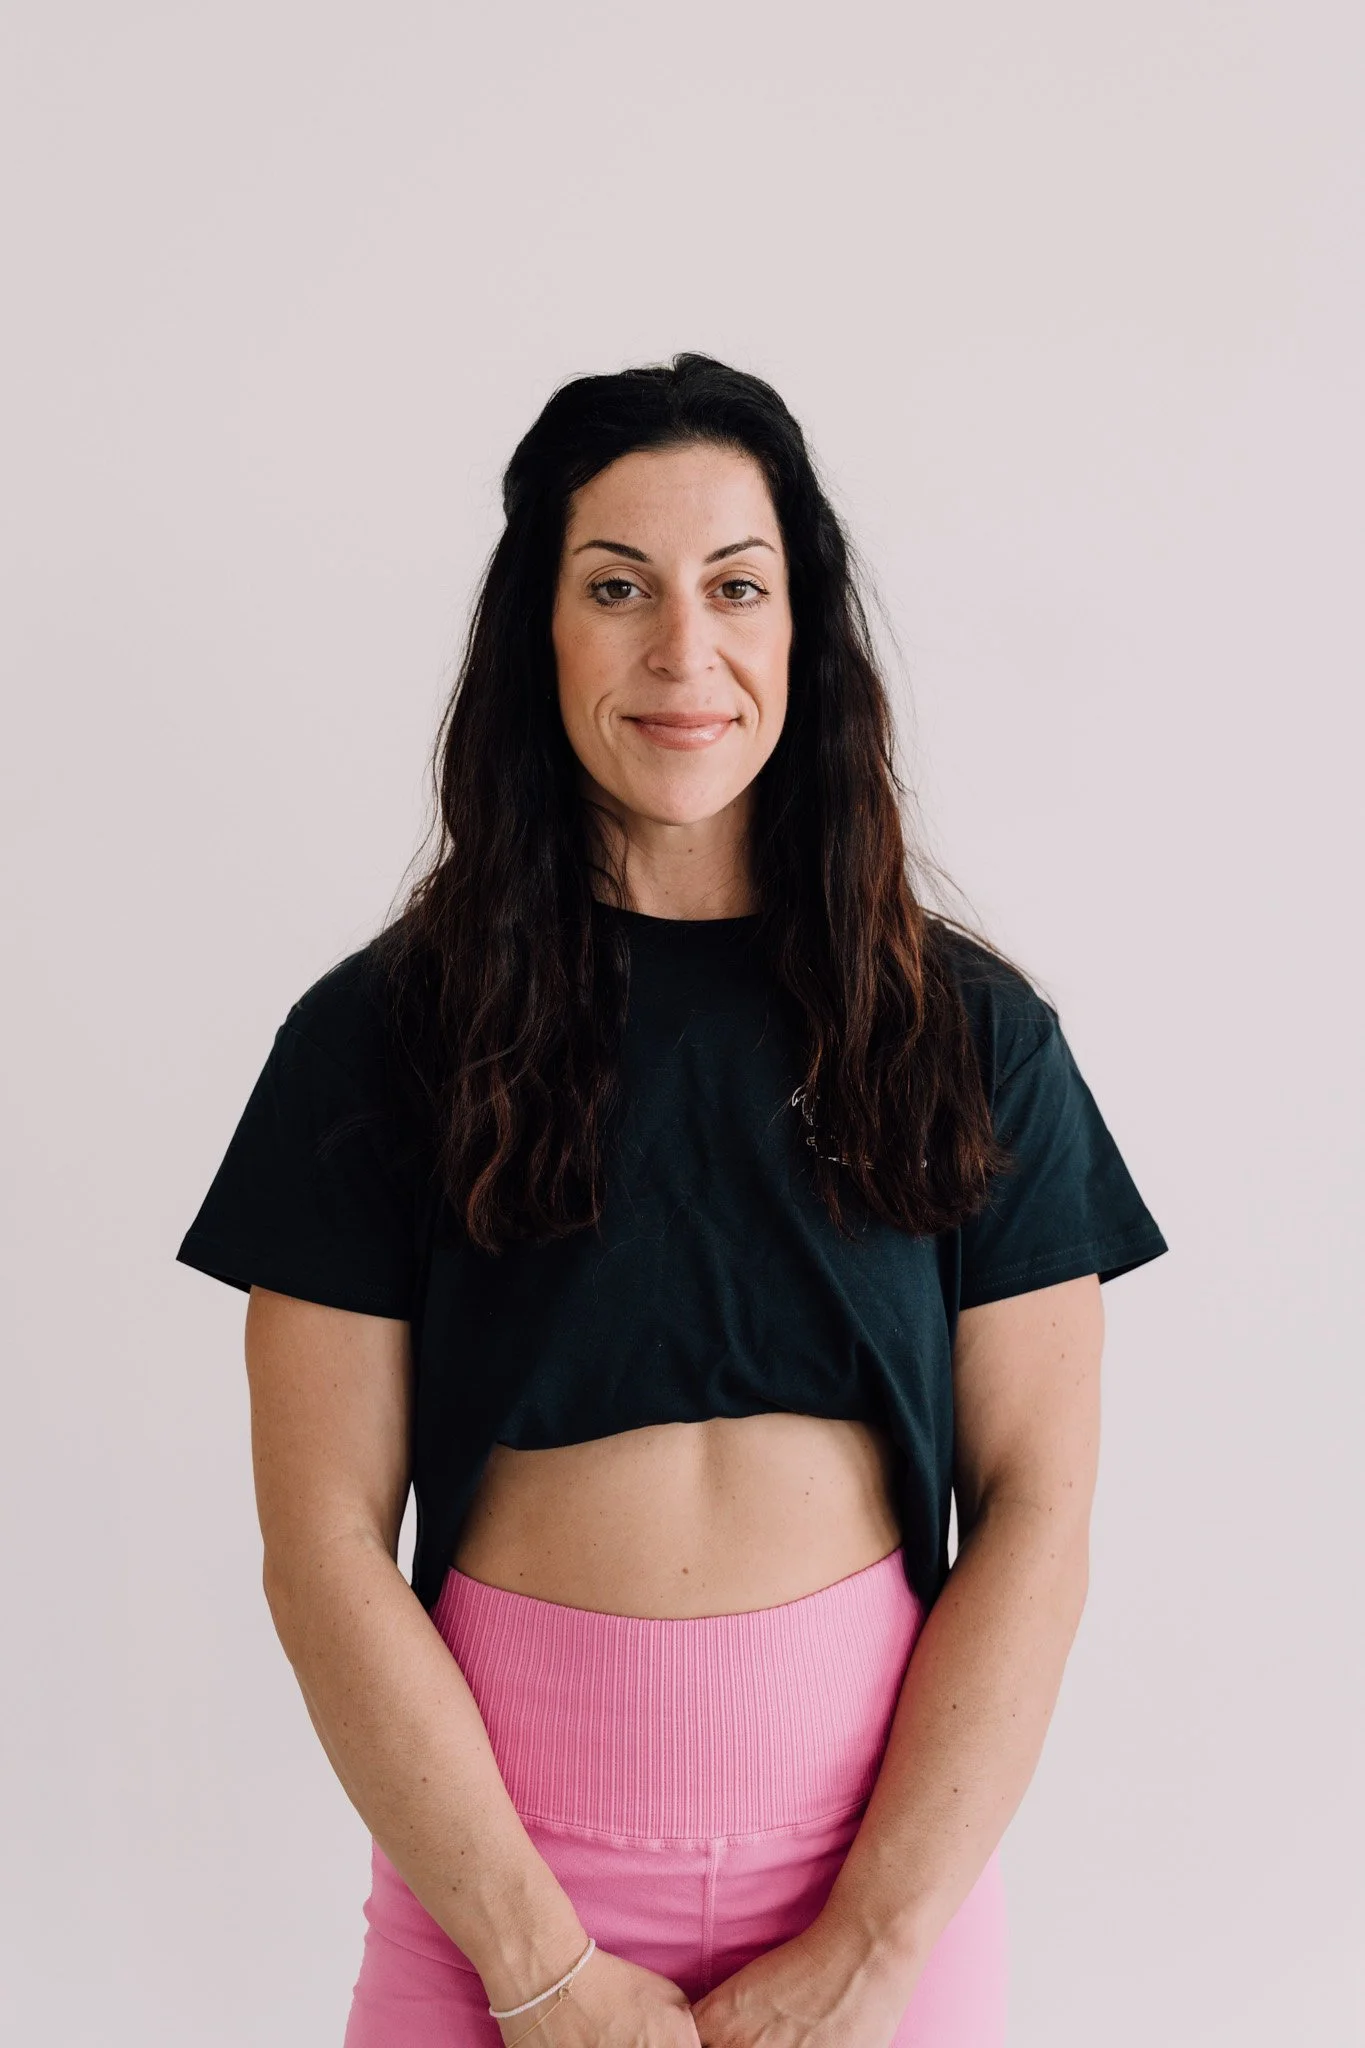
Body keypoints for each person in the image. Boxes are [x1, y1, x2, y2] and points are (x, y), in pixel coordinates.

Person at [175, 351, 1168, 2048]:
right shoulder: (378, 1038)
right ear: (536, 632)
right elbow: (322, 1544)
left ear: (804, 633)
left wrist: (870, 1948)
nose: (681, 653)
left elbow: (1039, 1517)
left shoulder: (973, 1036)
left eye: (737, 588)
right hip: (492, 1905)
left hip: (881, 1905)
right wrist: (534, 1965)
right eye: (615, 586)